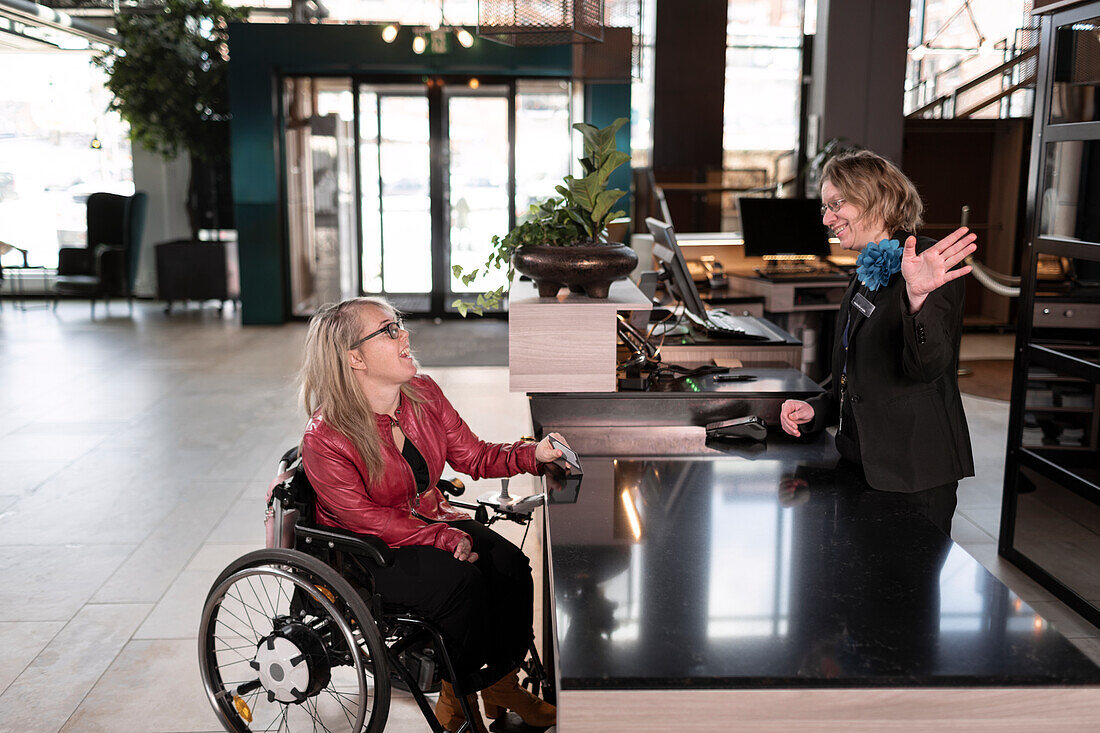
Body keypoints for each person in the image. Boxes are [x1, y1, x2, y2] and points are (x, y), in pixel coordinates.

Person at [299, 296, 563, 732]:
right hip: (370, 552)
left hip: (428, 520)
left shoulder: (423, 393)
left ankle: (501, 688)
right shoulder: (325, 438)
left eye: (398, 324)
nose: (404, 334)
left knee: (510, 566)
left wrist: (533, 454)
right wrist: (441, 536)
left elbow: (474, 456)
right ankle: (457, 704)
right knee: (461, 587)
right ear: (354, 358)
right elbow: (366, 519)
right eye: (387, 330)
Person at [779, 149, 976, 535]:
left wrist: (917, 300)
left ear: (878, 199)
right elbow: (855, 368)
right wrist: (816, 407)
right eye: (825, 207)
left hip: (912, 472)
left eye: (837, 204)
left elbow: (927, 367)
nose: (827, 218)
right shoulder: (869, 269)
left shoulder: (927, 263)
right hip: (861, 464)